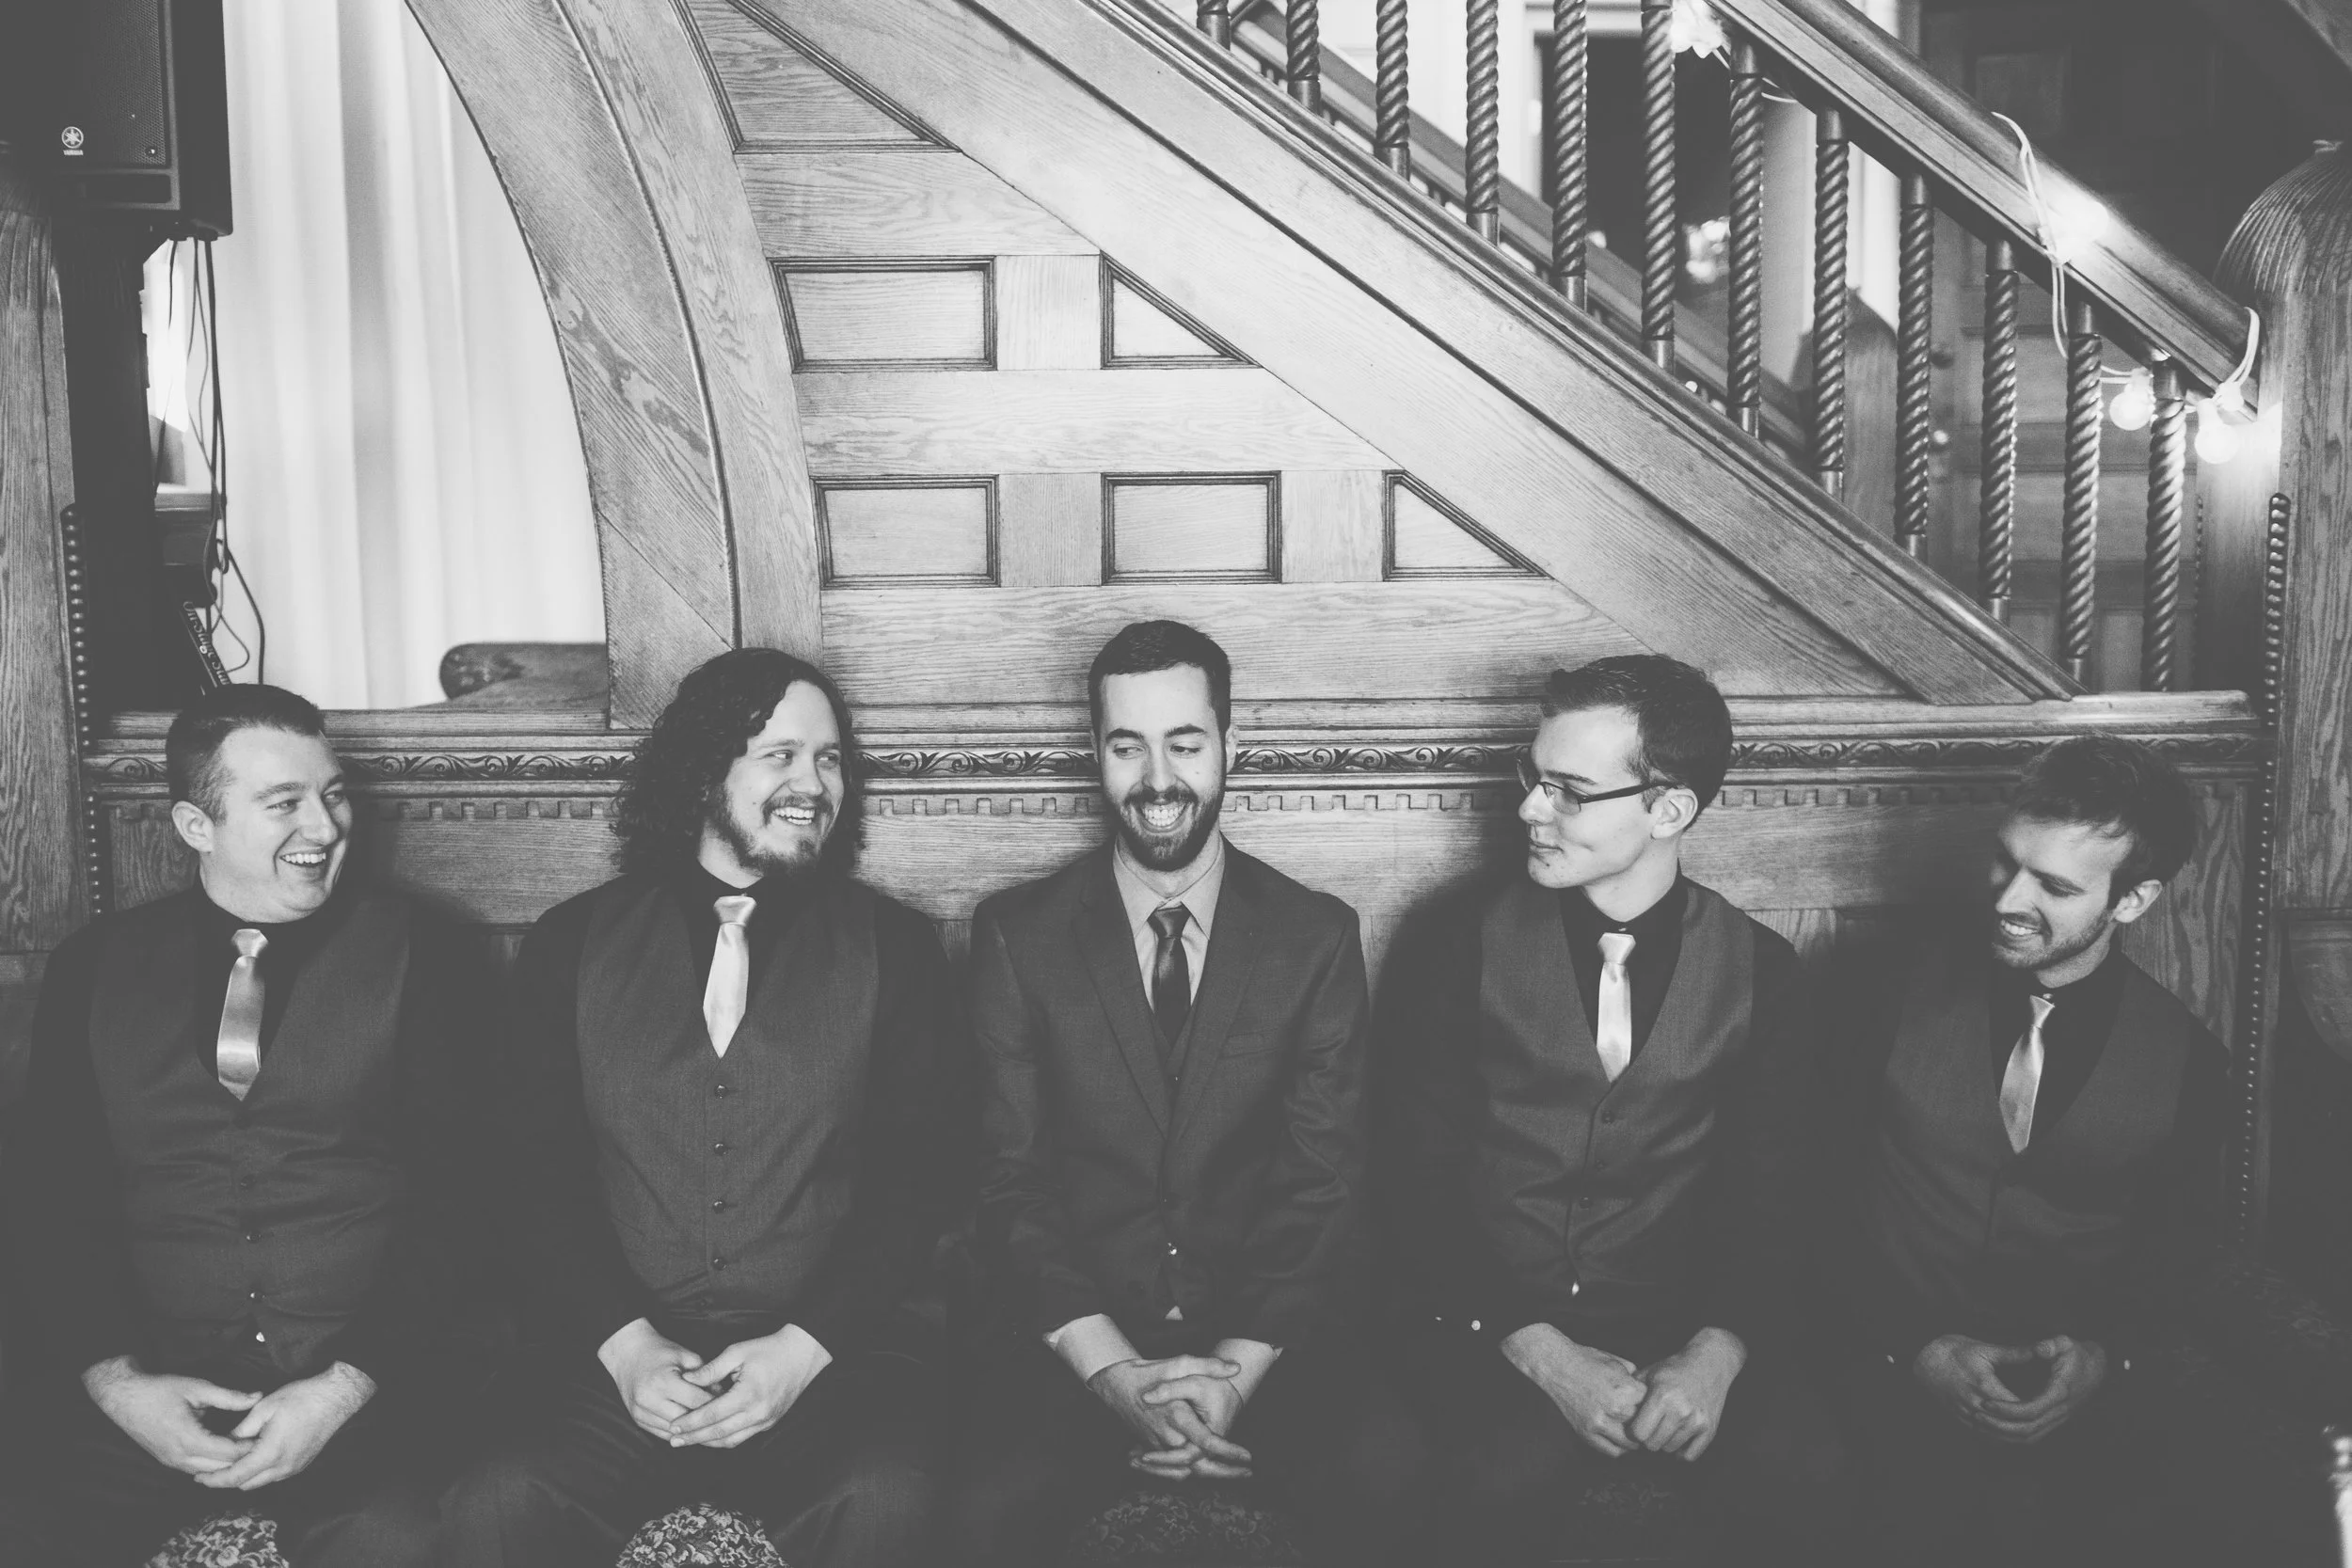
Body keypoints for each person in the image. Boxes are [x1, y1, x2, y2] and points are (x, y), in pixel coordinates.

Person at [442, 649, 963, 1568]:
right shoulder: (573, 941)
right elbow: (528, 1178)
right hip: (613, 1373)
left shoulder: (895, 946)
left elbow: (918, 1184)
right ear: (703, 769)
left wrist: (803, 1349)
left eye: (831, 758)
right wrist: (626, 1345)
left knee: (889, 1499)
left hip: (832, 1367)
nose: (813, 783)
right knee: (496, 1501)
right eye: (781, 755)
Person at [947, 619, 1432, 1568]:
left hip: (1272, 1340)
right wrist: (1112, 1370)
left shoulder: (1314, 936)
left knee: (1396, 1474)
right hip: (1076, 1337)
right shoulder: (1017, 935)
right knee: (976, 1507)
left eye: (1184, 742)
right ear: (1096, 752)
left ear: (1228, 746)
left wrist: (1234, 1378)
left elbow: (1322, 1178)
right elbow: (1008, 1180)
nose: (1156, 776)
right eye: (1127, 744)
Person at [1376, 654, 1853, 1566]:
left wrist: (1716, 1351)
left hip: (1679, 1318)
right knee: (1491, 1474)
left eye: (1567, 789)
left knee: (1806, 1464)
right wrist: (1540, 1351)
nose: (1529, 808)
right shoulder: (1450, 941)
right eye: (1533, 776)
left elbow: (1776, 1193)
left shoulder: (1763, 969)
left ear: (1668, 809)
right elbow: (1413, 1176)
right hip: (1483, 1317)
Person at [0, 683, 489, 1567]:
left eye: (333, 793)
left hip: (367, 1394)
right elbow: (53, 1201)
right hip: (154, 1388)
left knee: (394, 1542)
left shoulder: (431, 954)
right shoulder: (95, 965)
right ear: (197, 826)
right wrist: (118, 1385)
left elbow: (464, 1206)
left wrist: (340, 1390)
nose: (326, 825)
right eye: (284, 803)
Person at [1819, 735, 2225, 1567]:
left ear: (2134, 899)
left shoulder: (2191, 1060)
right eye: (2007, 863)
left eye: (2056, 885)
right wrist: (1915, 1344)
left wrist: (2104, 1356)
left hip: (2068, 1398)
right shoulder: (1876, 993)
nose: (2008, 897)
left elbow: (2180, 1246)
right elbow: (1804, 1196)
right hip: (1879, 1361)